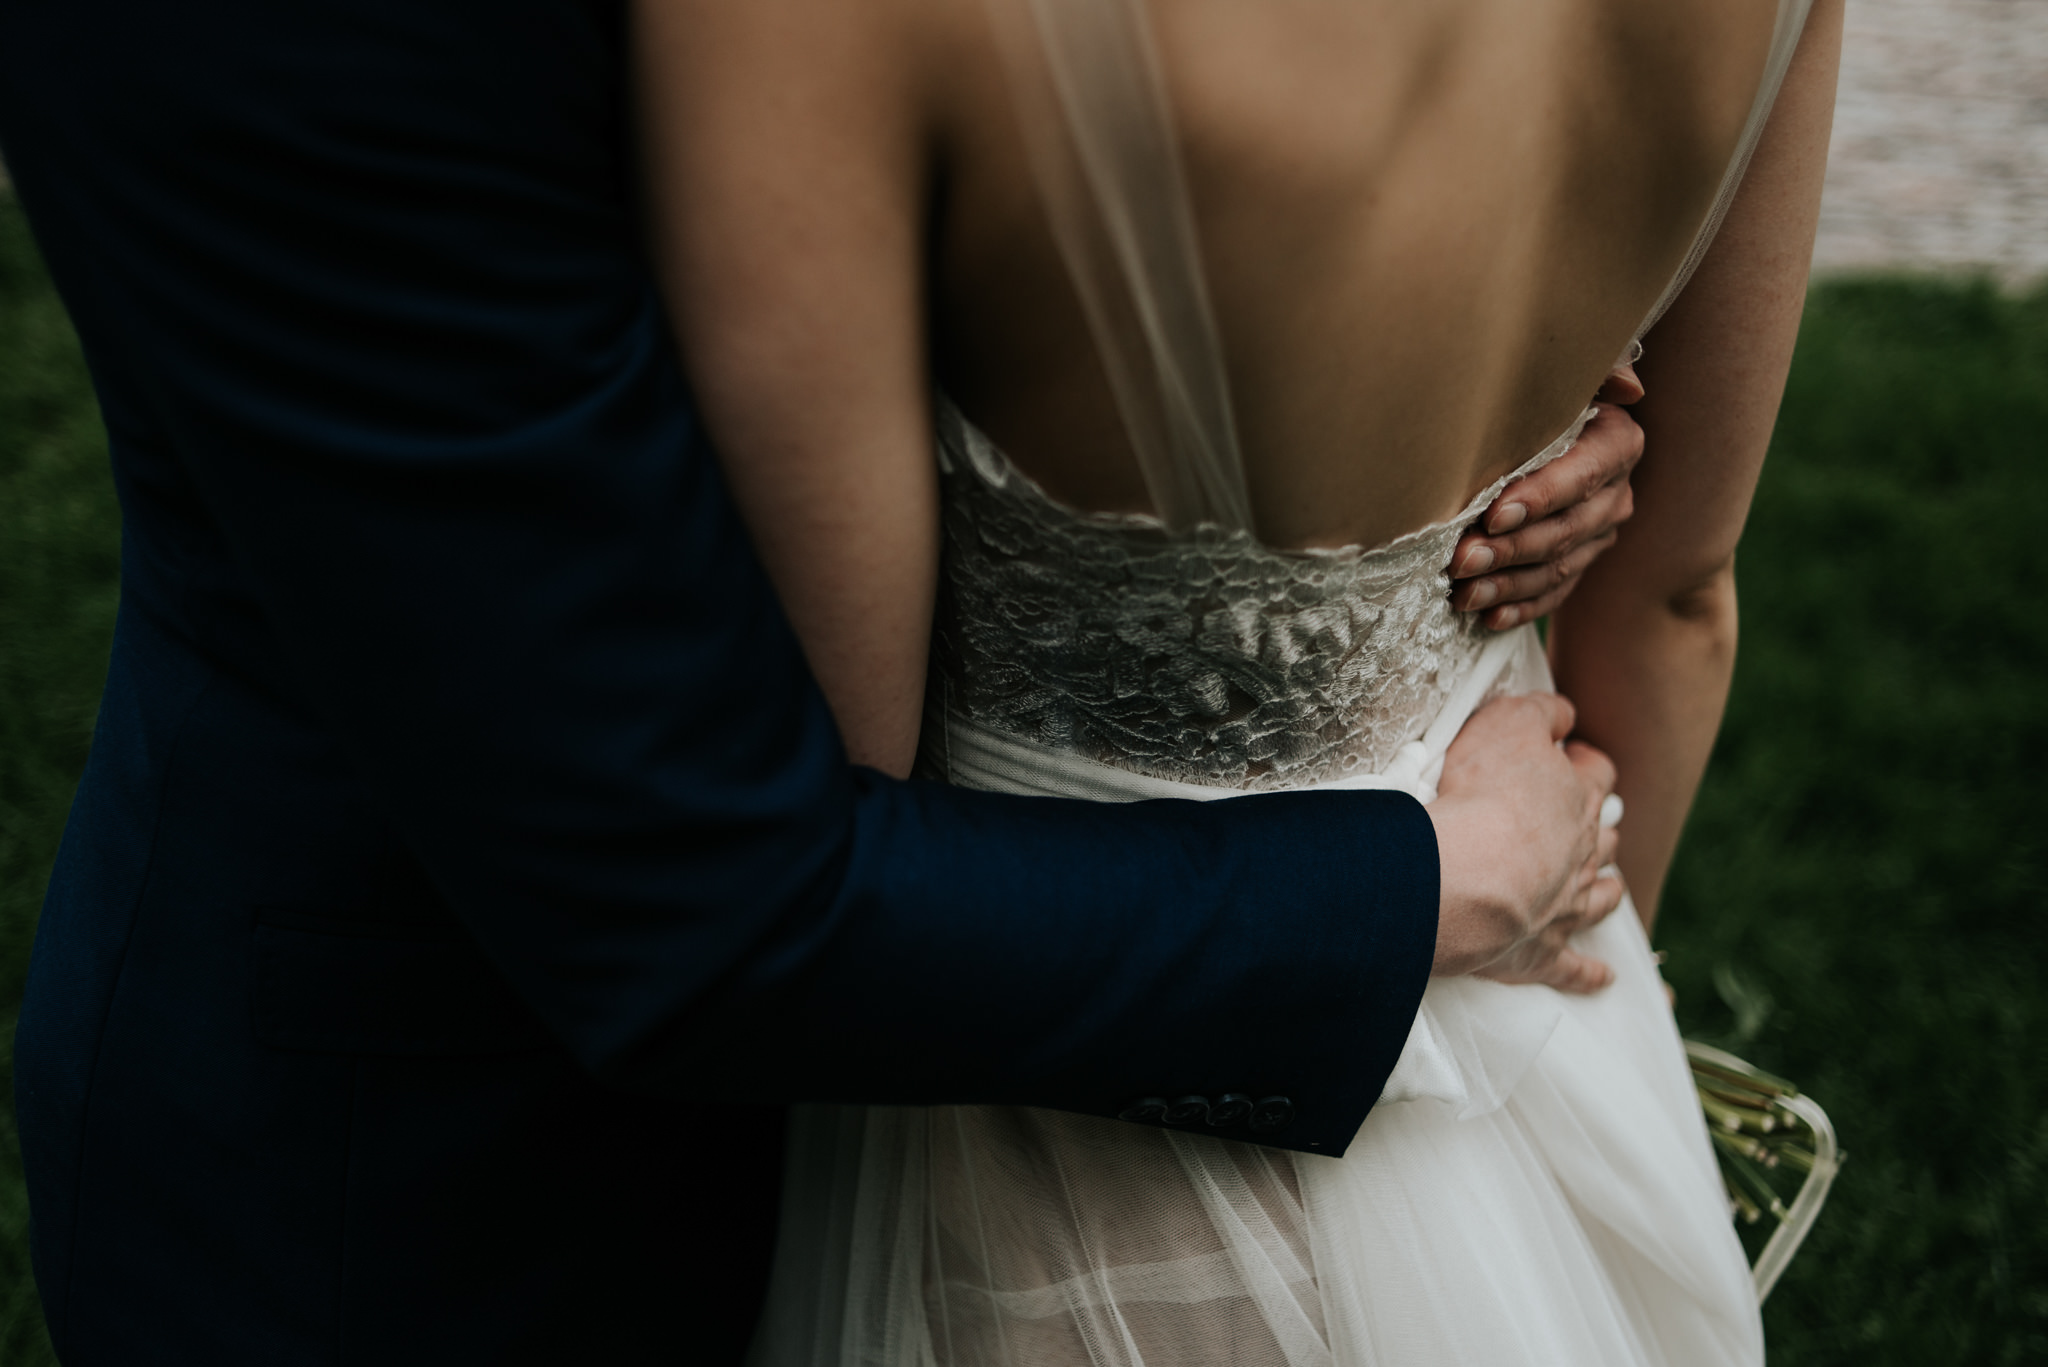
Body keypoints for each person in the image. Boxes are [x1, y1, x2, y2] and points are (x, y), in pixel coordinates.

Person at [0, 0, 1641, 1361]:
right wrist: (1417, 890)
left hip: (983, 1104)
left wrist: (1451, 375)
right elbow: (697, 907)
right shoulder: (282, 42)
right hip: (461, 1178)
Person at [636, 0, 1843, 1360]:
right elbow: (1677, 601)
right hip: (1532, 1070)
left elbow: (828, 805)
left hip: (1035, 1172)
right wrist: (1571, 988)